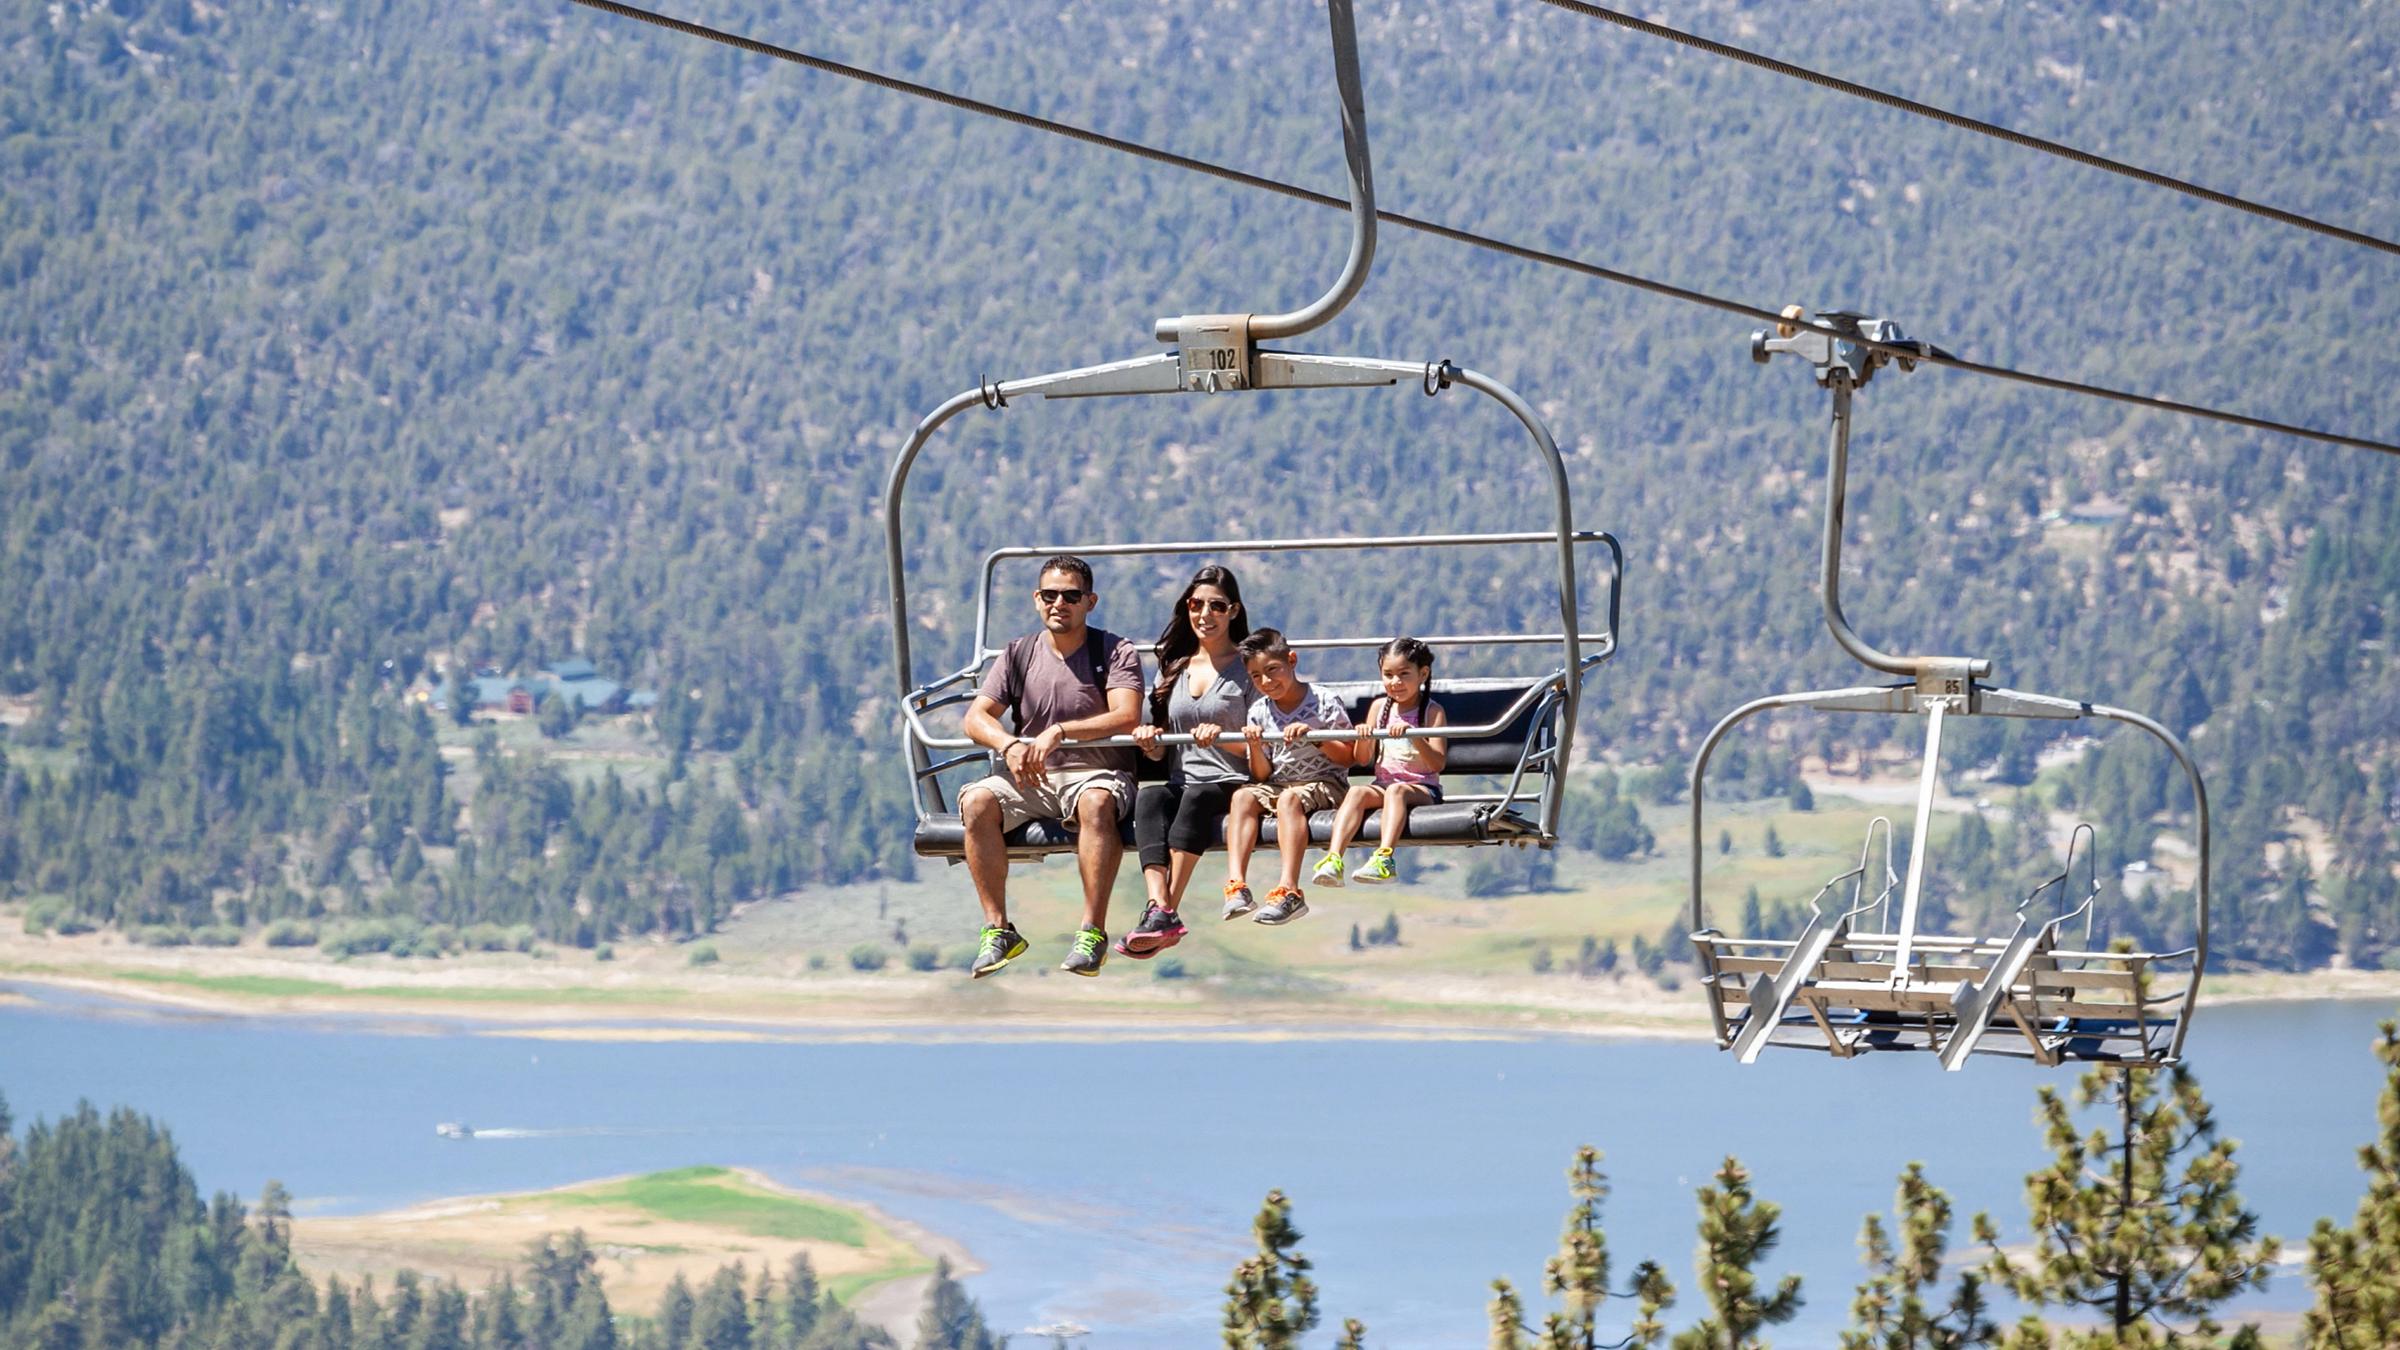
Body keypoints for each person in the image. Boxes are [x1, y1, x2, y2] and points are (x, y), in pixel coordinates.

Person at [956, 556, 1142, 978]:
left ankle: (1092, 931)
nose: (1060, 603)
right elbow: (975, 717)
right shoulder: (1018, 654)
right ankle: (998, 927)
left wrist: (1062, 731)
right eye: (1050, 595)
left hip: (1097, 773)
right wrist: (1007, 743)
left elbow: (1127, 715)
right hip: (1032, 779)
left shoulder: (1113, 651)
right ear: (1037, 599)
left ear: (1089, 601)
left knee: (1096, 804)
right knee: (979, 801)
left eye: (1071, 596)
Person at [1119, 566, 1255, 959]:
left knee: (1197, 798)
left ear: (1233, 611)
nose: (1205, 614)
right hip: (1183, 778)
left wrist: (1224, 739)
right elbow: (1167, 749)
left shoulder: (1248, 669)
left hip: (1233, 779)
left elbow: (1262, 745)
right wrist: (1150, 744)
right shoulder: (1176, 666)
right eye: (1197, 605)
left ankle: (1164, 914)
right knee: (1149, 799)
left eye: (1217, 606)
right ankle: (1158, 906)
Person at [1222, 628, 1357, 926]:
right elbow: (1261, 774)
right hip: (1279, 782)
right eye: (1257, 677)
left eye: (1273, 671)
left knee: (1288, 800)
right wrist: (1255, 748)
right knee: (1243, 796)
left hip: (1324, 782)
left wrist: (1316, 738)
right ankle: (1237, 885)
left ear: (1291, 661)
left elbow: (1350, 756)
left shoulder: (1323, 700)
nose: (1267, 682)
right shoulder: (1259, 710)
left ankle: (1289, 889)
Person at [1314, 637, 1448, 887]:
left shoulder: (1432, 712)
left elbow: (1437, 763)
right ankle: (1334, 858)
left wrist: (1415, 737)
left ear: (1423, 674)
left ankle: (1384, 857)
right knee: (1356, 793)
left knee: (1396, 792)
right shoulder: (1379, 708)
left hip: (1422, 788)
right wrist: (1363, 737)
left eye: (1404, 674)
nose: (1395, 682)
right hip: (1384, 784)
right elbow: (1363, 759)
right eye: (1388, 675)